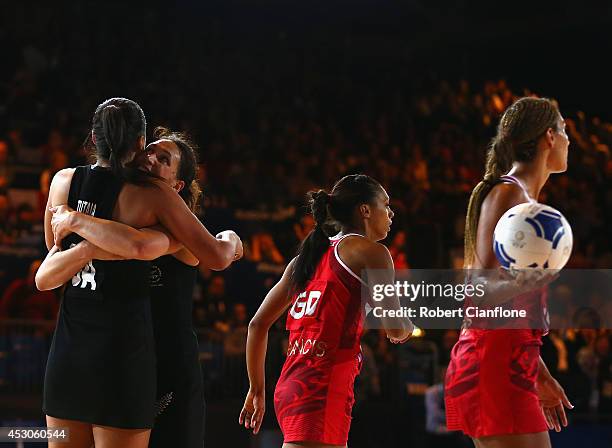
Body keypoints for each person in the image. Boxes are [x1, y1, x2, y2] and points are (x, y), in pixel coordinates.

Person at [41, 98, 242, 448]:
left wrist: (78, 224)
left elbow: (55, 253)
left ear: (93, 136)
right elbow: (137, 247)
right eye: (150, 151)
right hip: (126, 355)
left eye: (163, 159)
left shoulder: (65, 182)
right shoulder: (151, 197)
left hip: (132, 355)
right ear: (137, 144)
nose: (150, 159)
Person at [238, 174, 413, 448]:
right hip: (322, 386)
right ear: (365, 210)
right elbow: (394, 326)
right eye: (386, 205)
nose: (391, 213)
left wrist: (256, 389)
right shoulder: (372, 253)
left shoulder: (305, 258)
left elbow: (257, 325)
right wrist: (407, 327)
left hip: (292, 383)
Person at [445, 97, 573, 448]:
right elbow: (476, 290)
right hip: (492, 364)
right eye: (564, 131)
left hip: (511, 363)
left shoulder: (524, 201)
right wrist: (525, 279)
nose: (568, 140)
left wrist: (539, 372)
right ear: (549, 136)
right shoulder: (507, 194)